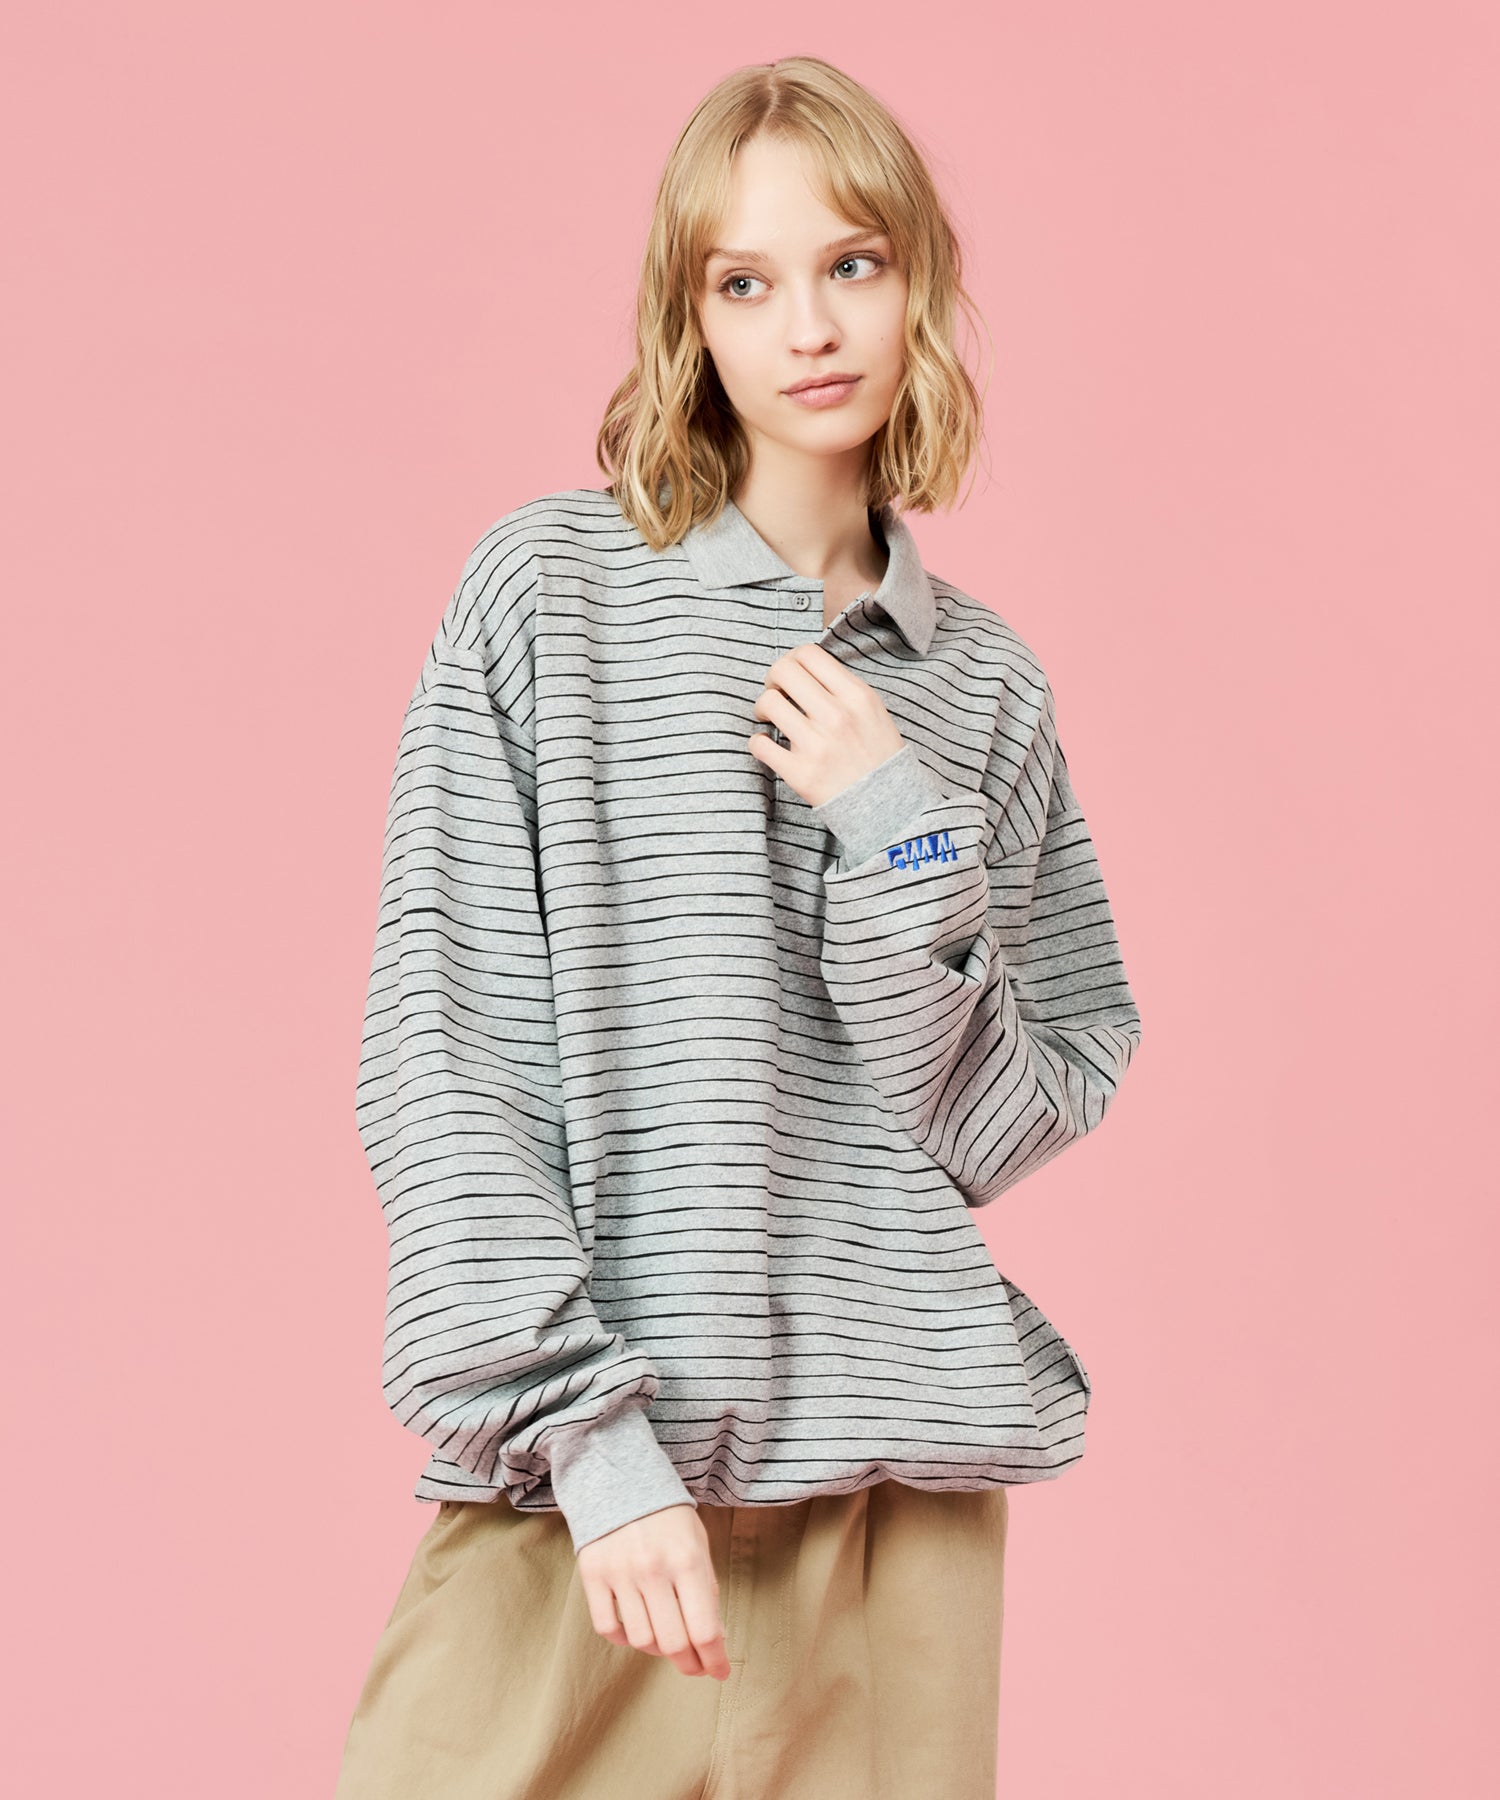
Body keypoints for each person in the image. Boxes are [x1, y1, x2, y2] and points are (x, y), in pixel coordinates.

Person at [334, 53, 1143, 1800]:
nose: (811, 328)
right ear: (687, 316)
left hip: (893, 1512)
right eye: (746, 282)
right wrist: (588, 1443)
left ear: (919, 281)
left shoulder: (986, 687)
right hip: (588, 1488)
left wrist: (897, 823)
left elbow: (1001, 1123)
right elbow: (447, 1054)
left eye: (852, 264)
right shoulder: (548, 593)